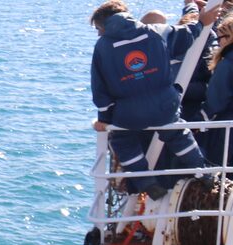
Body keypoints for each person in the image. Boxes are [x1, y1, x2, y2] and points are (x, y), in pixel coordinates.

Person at [90, 0, 222, 199]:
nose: (98, 34)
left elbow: (100, 89)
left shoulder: (102, 47)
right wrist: (202, 22)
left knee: (122, 140)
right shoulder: (156, 31)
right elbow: (186, 36)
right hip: (164, 106)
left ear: (104, 25)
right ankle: (203, 172)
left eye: (98, 29)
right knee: (178, 134)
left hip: (128, 113)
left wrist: (104, 118)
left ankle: (147, 182)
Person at [200, 16, 233, 159]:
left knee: (218, 166)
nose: (218, 43)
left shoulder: (227, 64)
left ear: (229, 37)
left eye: (219, 38)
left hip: (227, 129)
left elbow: (216, 101)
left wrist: (199, 120)